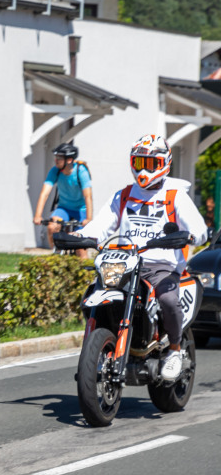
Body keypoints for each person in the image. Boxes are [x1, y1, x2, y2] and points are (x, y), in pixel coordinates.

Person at [73, 134, 207, 381]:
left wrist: (189, 236)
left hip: (160, 266)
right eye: (139, 163)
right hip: (124, 262)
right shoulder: (123, 195)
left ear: (164, 164)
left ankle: (175, 350)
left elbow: (198, 229)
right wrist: (78, 235)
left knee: (168, 299)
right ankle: (98, 348)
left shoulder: (175, 195)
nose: (144, 169)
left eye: (151, 164)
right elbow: (101, 225)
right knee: (92, 293)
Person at [33, 142, 93, 252]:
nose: (56, 160)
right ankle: (56, 253)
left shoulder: (81, 171)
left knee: (80, 248)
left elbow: (88, 196)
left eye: (59, 158)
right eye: (56, 157)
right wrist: (38, 215)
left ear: (69, 160)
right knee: (52, 227)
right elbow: (44, 194)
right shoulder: (55, 171)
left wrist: (88, 218)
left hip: (81, 210)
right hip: (64, 208)